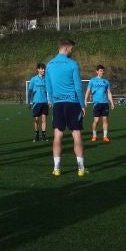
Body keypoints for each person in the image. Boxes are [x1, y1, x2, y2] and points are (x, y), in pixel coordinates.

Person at [45, 39, 88, 177]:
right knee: (77, 135)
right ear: (66, 48)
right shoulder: (72, 64)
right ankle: (81, 168)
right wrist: (82, 104)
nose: (72, 52)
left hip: (58, 104)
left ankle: (56, 168)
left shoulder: (49, 65)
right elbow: (78, 87)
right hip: (73, 104)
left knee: (58, 136)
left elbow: (49, 86)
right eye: (71, 49)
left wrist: (52, 100)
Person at [84, 65, 115, 142]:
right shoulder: (92, 80)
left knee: (105, 120)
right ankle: (94, 135)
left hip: (105, 103)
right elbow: (88, 91)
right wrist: (85, 100)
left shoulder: (106, 82)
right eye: (100, 71)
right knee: (96, 121)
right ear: (97, 71)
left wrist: (112, 102)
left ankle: (105, 136)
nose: (102, 72)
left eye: (103, 71)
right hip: (96, 103)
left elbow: (109, 93)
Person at [27, 63, 49, 142]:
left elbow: (48, 91)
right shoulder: (33, 79)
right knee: (36, 119)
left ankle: (43, 136)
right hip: (36, 102)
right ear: (38, 69)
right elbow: (29, 91)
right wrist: (28, 102)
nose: (43, 70)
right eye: (42, 69)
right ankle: (36, 134)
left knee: (44, 119)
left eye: (44, 69)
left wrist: (49, 100)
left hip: (44, 102)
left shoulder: (46, 79)